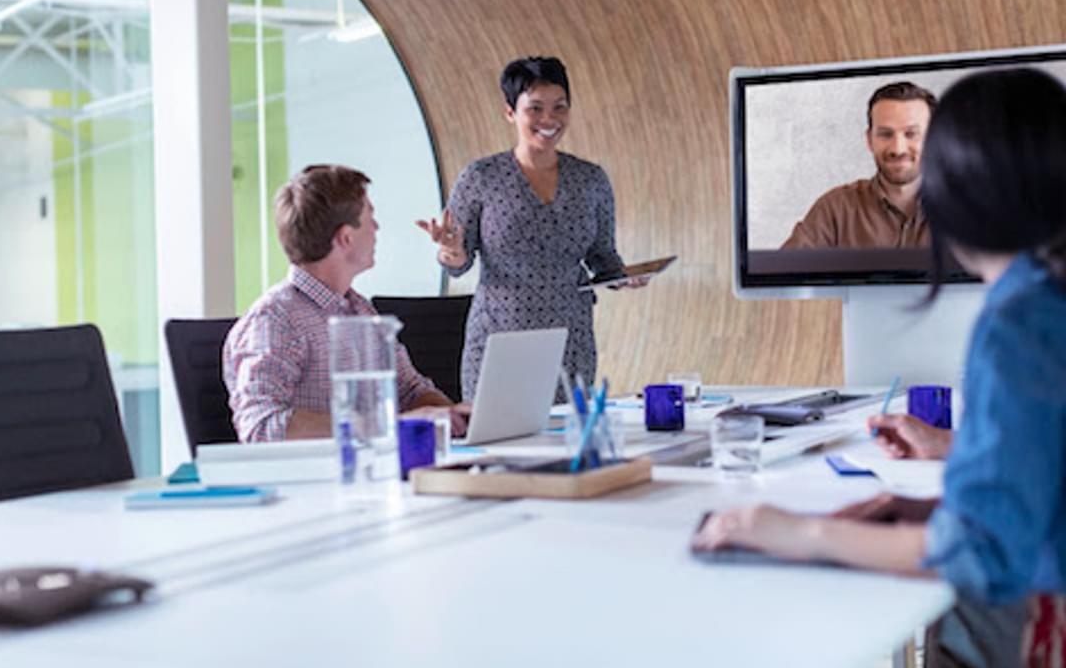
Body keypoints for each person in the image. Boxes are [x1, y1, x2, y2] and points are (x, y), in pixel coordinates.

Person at [695, 68, 1066, 667]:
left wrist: (800, 533)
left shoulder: (1020, 322)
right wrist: (933, 507)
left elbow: (986, 555)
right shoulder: (1046, 296)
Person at [416, 56, 642, 403]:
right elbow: (457, 263)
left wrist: (623, 276)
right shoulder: (481, 178)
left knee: (567, 449)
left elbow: (603, 256)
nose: (548, 119)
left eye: (559, 107)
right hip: (501, 340)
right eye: (535, 108)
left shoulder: (591, 179)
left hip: (571, 343)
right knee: (499, 448)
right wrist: (451, 251)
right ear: (511, 112)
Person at [223, 164, 470, 442]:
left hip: (370, 473)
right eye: (370, 218)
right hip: (312, 481)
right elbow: (260, 424)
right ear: (346, 237)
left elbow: (410, 391)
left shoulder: (359, 309)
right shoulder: (275, 318)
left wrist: (458, 416)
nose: (377, 228)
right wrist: (390, 425)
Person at [781, 81, 936, 249]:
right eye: (885, 134)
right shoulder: (835, 209)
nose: (898, 149)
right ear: (869, 140)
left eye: (911, 134)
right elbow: (781, 272)